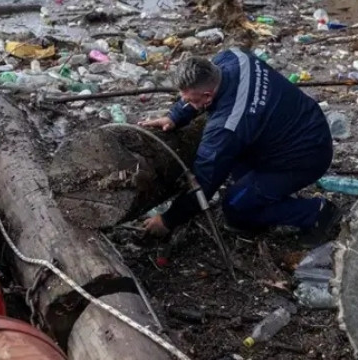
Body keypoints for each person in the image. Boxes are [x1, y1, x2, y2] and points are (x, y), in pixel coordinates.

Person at [139, 49, 338, 244]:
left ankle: (316, 212)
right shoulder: (233, 56)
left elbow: (203, 183)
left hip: (307, 156)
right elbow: (198, 97)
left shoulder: (227, 126)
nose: (185, 101)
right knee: (235, 167)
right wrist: (175, 116)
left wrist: (168, 220)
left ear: (208, 97)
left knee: (235, 208)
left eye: (190, 100)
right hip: (305, 122)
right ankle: (269, 194)